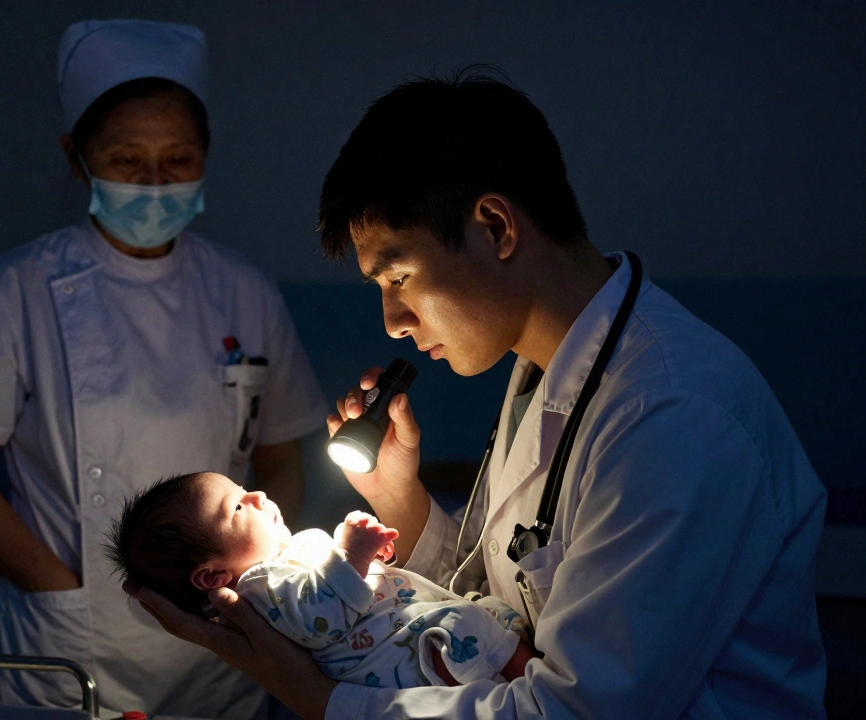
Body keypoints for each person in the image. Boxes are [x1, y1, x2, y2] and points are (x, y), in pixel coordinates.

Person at [130, 70, 829, 720]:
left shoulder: (674, 414)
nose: (393, 324)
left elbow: (576, 710)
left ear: (494, 227)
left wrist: (320, 699)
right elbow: (500, 607)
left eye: (397, 279)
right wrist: (399, 500)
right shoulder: (544, 374)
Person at [0, 19, 328, 718]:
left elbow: (283, 459)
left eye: (179, 159)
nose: (156, 183)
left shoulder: (245, 291)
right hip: (65, 653)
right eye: (129, 161)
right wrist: (56, 588)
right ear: (76, 159)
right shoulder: (16, 289)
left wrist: (253, 581)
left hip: (219, 643)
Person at [105, 472, 538, 689]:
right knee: (469, 629)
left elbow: (347, 590)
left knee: (478, 616)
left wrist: (370, 559)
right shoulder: (258, 589)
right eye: (237, 508)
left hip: (405, 637)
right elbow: (323, 617)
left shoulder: (282, 566)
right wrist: (352, 553)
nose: (256, 496)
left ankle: (522, 675)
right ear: (214, 575)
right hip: (396, 664)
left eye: (245, 489)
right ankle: (531, 682)